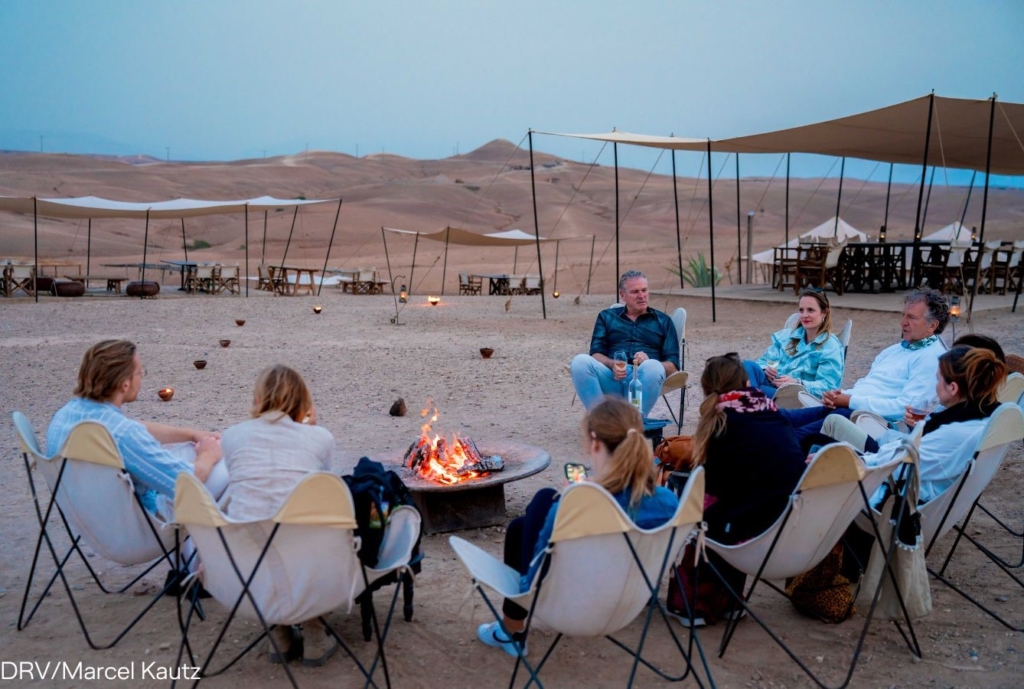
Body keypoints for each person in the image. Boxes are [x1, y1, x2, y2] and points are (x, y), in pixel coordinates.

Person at [476, 397, 679, 657]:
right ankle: (510, 628)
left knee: (539, 505)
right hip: (628, 602)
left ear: (595, 444)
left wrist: (571, 498)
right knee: (521, 525)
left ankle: (512, 629)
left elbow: (534, 581)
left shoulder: (571, 507)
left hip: (572, 605)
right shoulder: (668, 504)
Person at [672, 353, 808, 625]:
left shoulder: (722, 423)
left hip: (743, 536)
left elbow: (714, 489)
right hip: (785, 528)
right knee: (740, 502)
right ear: (746, 381)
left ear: (707, 388)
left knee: (699, 507)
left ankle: (696, 605)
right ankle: (731, 599)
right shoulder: (774, 412)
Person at [220, 364, 340, 666]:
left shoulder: (232, 436)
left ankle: (279, 631)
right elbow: (324, 485)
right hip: (305, 563)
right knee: (316, 522)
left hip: (247, 565)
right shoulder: (320, 437)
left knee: (264, 526)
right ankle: (314, 630)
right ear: (303, 402)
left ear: (258, 399)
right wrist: (310, 431)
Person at [46, 339, 226, 518]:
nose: (141, 377)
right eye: (140, 372)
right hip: (141, 526)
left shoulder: (68, 415)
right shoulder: (123, 434)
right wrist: (208, 455)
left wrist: (191, 434)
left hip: (89, 518)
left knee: (192, 449)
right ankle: (223, 540)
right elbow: (184, 482)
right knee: (230, 463)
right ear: (125, 384)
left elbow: (134, 427)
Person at [822, 346, 1006, 505]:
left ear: (953, 388)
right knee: (830, 427)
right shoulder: (981, 418)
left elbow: (893, 466)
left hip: (891, 498)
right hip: (902, 474)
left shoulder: (953, 432)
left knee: (815, 449)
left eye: (938, 380)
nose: (935, 386)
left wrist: (844, 460)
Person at [782, 288, 950, 446]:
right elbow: (868, 384)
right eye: (903, 315)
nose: (903, 322)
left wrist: (851, 401)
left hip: (873, 422)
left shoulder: (932, 358)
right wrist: (840, 395)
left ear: (932, 326)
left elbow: (905, 408)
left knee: (793, 436)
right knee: (781, 418)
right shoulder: (894, 350)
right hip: (851, 408)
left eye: (912, 318)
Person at [570, 270, 679, 418]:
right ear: (622, 295)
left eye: (644, 290)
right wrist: (612, 364)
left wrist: (649, 361)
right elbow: (595, 353)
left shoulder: (663, 321)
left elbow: (673, 366)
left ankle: (633, 422)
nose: (642, 296)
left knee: (653, 366)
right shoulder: (606, 317)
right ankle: (600, 422)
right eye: (635, 292)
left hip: (644, 378)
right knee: (580, 362)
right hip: (611, 376)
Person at [743, 288, 844, 399]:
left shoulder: (830, 346)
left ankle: (747, 401)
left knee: (751, 391)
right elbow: (764, 360)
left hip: (796, 396)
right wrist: (766, 369)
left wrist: (796, 383)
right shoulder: (787, 336)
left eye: (810, 310)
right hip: (772, 383)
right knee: (748, 365)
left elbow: (828, 386)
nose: (804, 315)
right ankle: (749, 400)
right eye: (801, 310)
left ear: (824, 312)